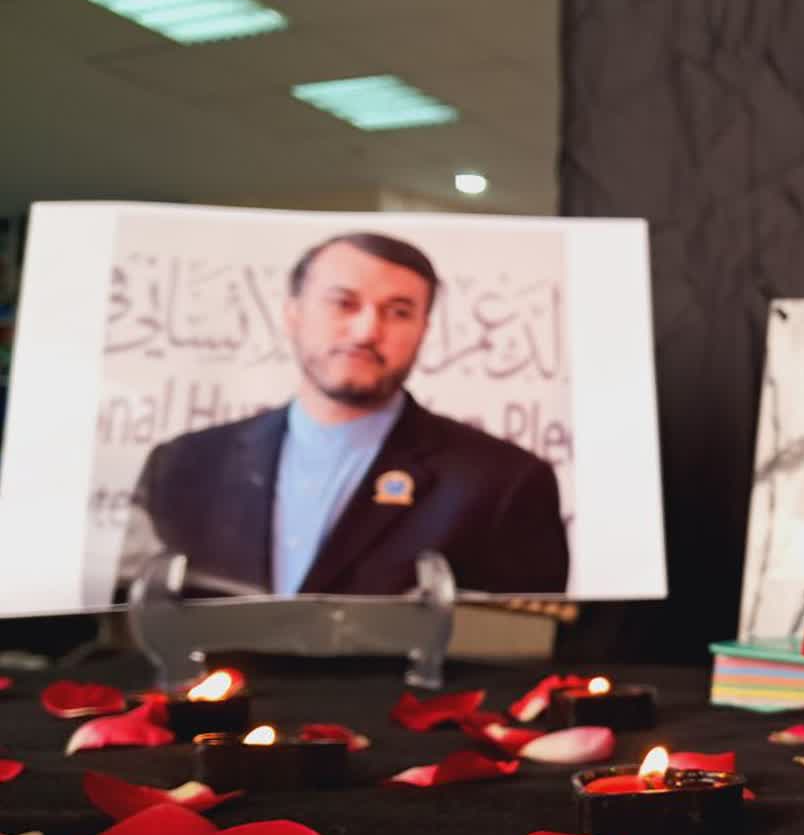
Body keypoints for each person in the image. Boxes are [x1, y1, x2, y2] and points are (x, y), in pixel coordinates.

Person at [124, 231, 569, 596]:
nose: (367, 331)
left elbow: (521, 651)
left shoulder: (501, 484)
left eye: (399, 312)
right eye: (343, 303)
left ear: (424, 331)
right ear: (293, 313)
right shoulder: (184, 466)